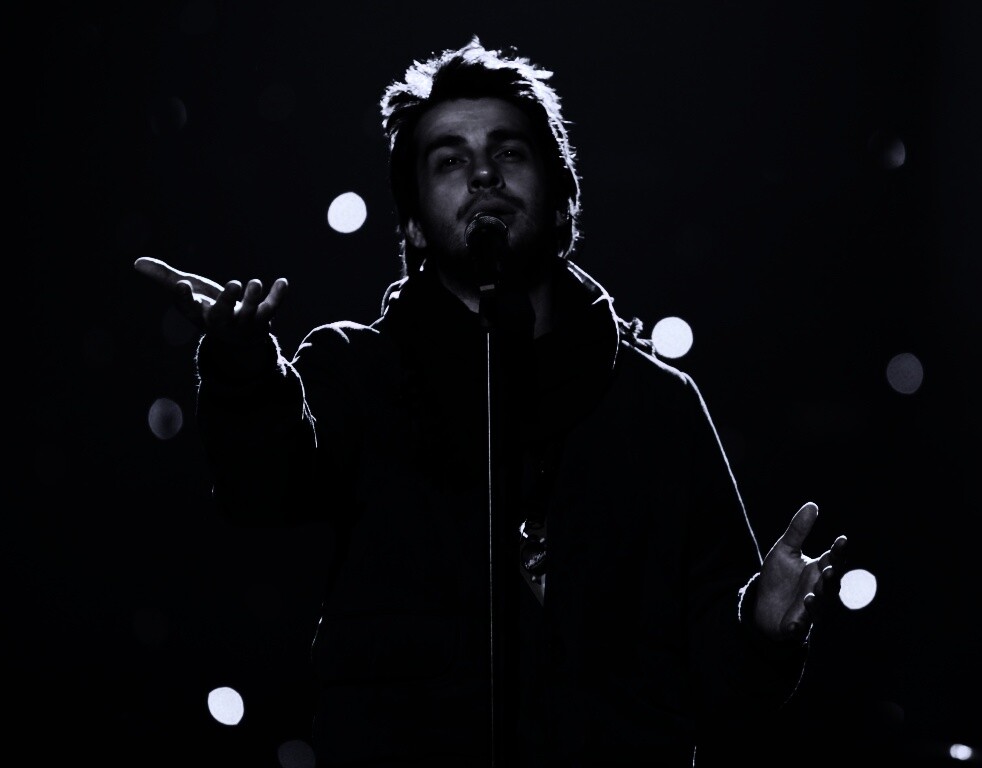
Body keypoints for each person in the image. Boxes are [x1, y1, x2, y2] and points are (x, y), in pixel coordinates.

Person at [135, 36, 848, 768]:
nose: (482, 173)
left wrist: (765, 630)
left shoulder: (658, 405)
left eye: (509, 152)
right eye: (449, 161)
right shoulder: (355, 371)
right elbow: (261, 494)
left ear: (563, 197)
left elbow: (722, 687)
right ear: (413, 222)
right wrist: (244, 369)